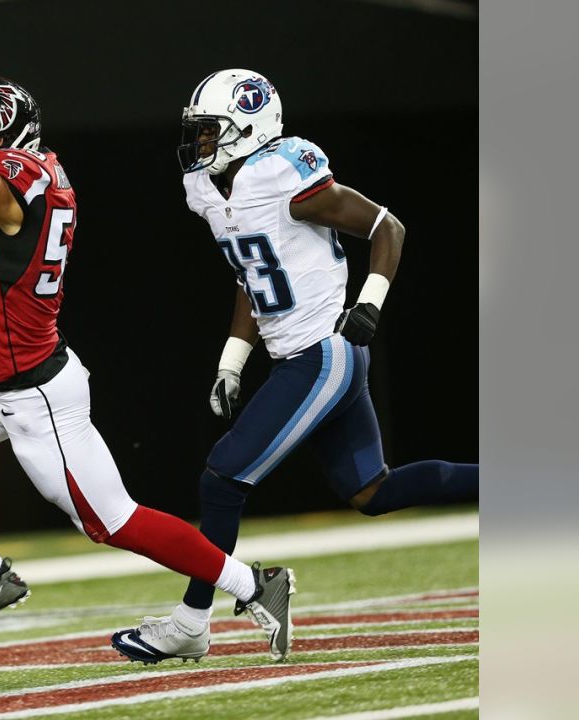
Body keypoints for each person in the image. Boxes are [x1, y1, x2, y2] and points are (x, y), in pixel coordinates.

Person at [0, 20, 295, 661]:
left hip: (35, 391)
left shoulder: (20, 174)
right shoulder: (24, 177)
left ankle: (255, 585)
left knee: (112, 522)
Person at [132, 69, 480, 663]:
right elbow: (252, 272)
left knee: (220, 480)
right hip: (304, 355)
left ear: (248, 126)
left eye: (211, 131)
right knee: (372, 490)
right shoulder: (213, 190)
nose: (200, 144)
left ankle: (193, 621)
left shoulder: (280, 172)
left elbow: (385, 227)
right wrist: (233, 360)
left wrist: (369, 302)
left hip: (322, 352)